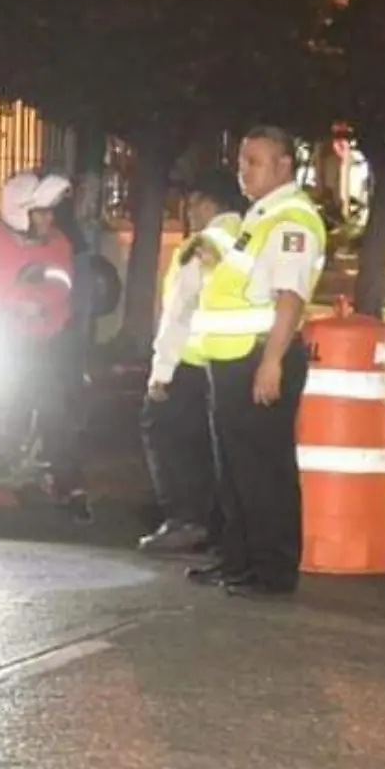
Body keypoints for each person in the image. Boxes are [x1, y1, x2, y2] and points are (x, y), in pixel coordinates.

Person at [186, 126, 327, 597]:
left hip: (258, 357)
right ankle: (236, 560)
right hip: (231, 358)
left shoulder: (291, 220)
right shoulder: (259, 216)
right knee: (235, 470)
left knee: (264, 472)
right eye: (242, 161)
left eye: (255, 161)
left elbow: (290, 296)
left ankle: (272, 571)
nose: (243, 170)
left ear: (284, 165)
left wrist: (273, 362)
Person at [0, 171, 91, 521]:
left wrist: (38, 303)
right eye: (40, 212)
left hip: (37, 340)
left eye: (49, 212)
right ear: (19, 212)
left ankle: (68, 483)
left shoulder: (58, 244)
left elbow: (62, 282)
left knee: (51, 404)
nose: (49, 218)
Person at [138, 169, 246, 554]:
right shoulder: (250, 240)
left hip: (191, 361)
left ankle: (184, 520)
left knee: (167, 436)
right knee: (216, 446)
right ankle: (218, 524)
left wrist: (160, 373)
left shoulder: (199, 245)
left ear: (206, 203)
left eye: (190, 204)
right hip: (236, 361)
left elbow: (178, 314)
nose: (187, 212)